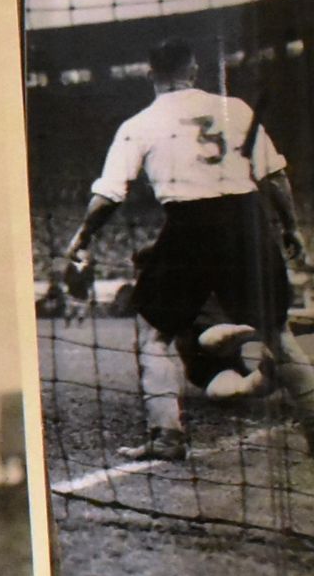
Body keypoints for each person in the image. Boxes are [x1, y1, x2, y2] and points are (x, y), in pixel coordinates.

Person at [63, 38, 314, 461]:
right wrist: (290, 227)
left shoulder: (139, 123)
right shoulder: (236, 109)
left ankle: (167, 435)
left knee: (156, 335)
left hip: (190, 225)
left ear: (150, 74)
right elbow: (274, 176)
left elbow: (109, 194)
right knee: (279, 334)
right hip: (246, 221)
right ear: (194, 69)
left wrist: (81, 238)